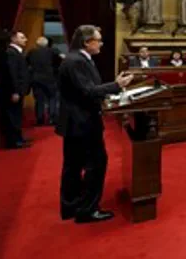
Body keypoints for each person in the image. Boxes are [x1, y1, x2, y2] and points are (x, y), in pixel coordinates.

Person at [58, 25, 133, 223]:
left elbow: (90, 89)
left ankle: (71, 206)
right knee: (96, 163)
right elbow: (88, 91)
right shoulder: (76, 61)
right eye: (98, 40)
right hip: (82, 122)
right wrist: (117, 85)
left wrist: (112, 86)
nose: (101, 43)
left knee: (73, 165)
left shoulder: (78, 59)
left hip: (77, 121)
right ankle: (87, 210)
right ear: (86, 42)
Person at [0, 30, 31, 148]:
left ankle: (18, 138)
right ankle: (14, 141)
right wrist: (15, 91)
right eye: (22, 37)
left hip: (18, 90)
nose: (25, 39)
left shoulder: (17, 52)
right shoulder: (11, 53)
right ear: (14, 39)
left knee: (17, 115)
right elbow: (12, 74)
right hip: (13, 91)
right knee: (13, 116)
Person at [27, 36, 59, 126]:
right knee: (52, 98)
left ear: (37, 44)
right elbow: (60, 61)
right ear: (47, 44)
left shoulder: (31, 52)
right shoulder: (53, 51)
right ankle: (52, 118)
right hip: (50, 79)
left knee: (39, 100)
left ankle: (40, 119)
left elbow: (26, 64)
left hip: (36, 79)